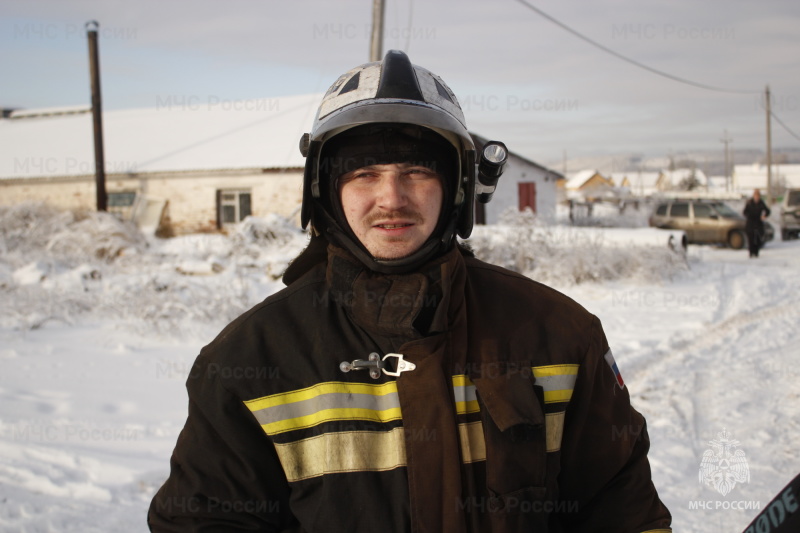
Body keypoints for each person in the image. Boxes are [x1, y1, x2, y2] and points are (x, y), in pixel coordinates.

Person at [148, 50, 672, 532]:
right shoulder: (251, 359)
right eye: (364, 175)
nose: (391, 198)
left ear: (457, 189)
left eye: (417, 171)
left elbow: (621, 508)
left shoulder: (558, 334)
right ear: (325, 191)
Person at [743, 189, 771, 257]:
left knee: (758, 239)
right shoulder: (749, 202)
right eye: (755, 196)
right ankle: (751, 253)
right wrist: (748, 216)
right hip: (750, 223)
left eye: (758, 196)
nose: (757, 197)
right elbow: (744, 212)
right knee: (751, 239)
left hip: (758, 223)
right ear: (753, 196)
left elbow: (767, 211)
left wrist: (764, 216)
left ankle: (756, 252)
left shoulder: (761, 203)